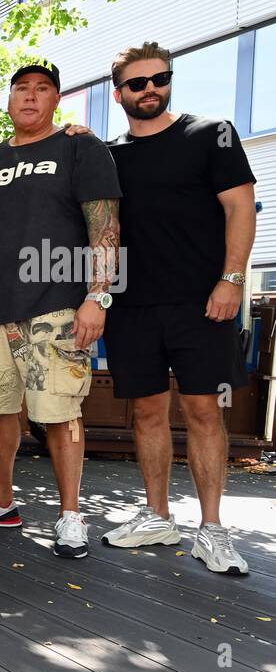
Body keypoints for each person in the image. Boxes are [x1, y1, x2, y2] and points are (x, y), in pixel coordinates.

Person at [101, 42, 257, 574]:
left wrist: (231, 280)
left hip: (203, 302)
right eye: (137, 83)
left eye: (159, 79)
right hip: (132, 306)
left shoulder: (210, 133)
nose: (151, 90)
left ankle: (212, 529)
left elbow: (240, 208)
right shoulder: (110, 154)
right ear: (117, 92)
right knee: (146, 411)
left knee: (202, 411)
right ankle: (157, 516)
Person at [0, 59, 122, 559]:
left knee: (60, 412)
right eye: (21, 88)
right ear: (8, 102)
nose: (30, 96)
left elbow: (105, 226)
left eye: (42, 88)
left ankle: (71, 514)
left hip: (57, 306)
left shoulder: (79, 147)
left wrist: (98, 296)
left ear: (55, 100)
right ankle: (2, 500)